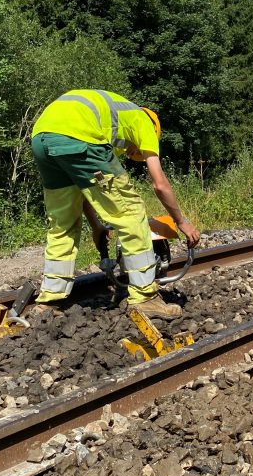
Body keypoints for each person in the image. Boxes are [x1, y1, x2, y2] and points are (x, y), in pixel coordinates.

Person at [30, 89, 201, 319]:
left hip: (41, 137)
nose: (132, 153)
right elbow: (160, 184)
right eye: (136, 152)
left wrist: (96, 226)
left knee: (62, 223)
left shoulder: (112, 118)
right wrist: (182, 222)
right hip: (79, 136)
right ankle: (145, 297)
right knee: (130, 212)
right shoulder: (143, 121)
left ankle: (49, 302)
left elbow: (84, 188)